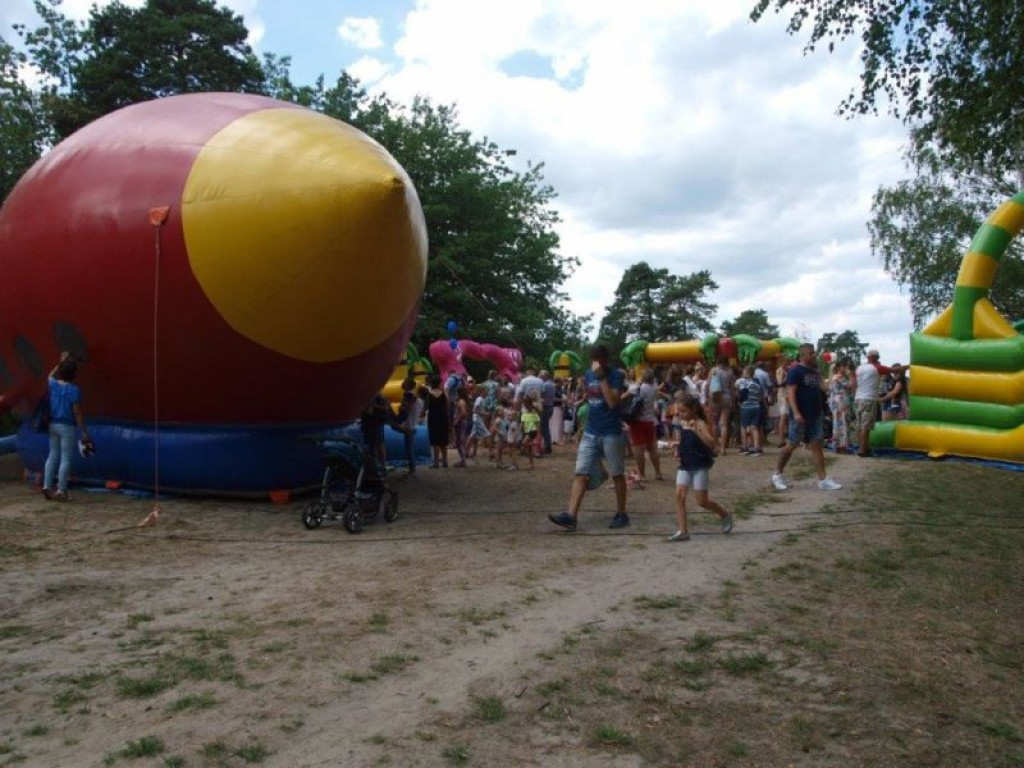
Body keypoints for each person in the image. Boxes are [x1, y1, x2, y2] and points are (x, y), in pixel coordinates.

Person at [549, 345, 629, 531]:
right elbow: (590, 399)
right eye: (593, 359)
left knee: (617, 474)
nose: (595, 363)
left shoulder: (616, 375)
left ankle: (621, 513)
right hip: (591, 432)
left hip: (611, 432)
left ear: (605, 359)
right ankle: (571, 516)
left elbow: (611, 402)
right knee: (581, 473)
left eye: (598, 359)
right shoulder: (587, 374)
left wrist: (601, 377)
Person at [771, 343, 842, 491]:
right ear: (803, 355)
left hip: (815, 414)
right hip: (800, 415)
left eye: (814, 353)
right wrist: (796, 413)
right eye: (811, 353)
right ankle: (777, 474)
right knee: (791, 444)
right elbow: (790, 393)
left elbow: (824, 388)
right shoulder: (795, 371)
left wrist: (831, 371)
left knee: (816, 445)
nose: (814, 355)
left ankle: (823, 479)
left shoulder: (815, 372)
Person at [670, 395, 733, 541]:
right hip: (685, 463)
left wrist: (696, 430)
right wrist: (676, 447)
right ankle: (683, 530)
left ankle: (724, 514)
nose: (680, 414)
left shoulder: (699, 423)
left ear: (693, 410)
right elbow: (683, 441)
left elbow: (712, 443)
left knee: (702, 501)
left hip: (699, 464)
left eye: (683, 411)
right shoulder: (681, 423)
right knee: (679, 495)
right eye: (678, 411)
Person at [42, 352, 90, 502]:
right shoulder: (74, 390)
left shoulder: (53, 384)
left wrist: (60, 362)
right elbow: (77, 412)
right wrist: (83, 431)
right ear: (74, 375)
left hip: (52, 424)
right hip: (67, 426)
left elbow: (50, 375)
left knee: (52, 454)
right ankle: (62, 490)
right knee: (65, 457)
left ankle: (46, 485)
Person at [626, 368, 663, 481]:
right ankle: (658, 472)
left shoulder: (639, 387)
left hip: (638, 421)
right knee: (652, 448)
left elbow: (623, 396)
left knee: (639, 448)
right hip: (650, 420)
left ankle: (642, 475)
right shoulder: (654, 388)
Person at [852, 350, 883, 457]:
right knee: (866, 426)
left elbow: (854, 383)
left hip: (858, 398)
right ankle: (862, 450)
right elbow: (894, 369)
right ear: (874, 357)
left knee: (859, 425)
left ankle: (863, 447)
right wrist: (909, 366)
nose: (878, 360)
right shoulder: (875, 368)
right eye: (877, 357)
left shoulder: (860, 368)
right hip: (868, 399)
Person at [709, 356, 736, 455]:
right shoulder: (730, 372)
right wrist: (733, 402)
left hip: (715, 397)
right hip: (727, 397)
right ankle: (723, 448)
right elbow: (732, 389)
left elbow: (708, 384)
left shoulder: (713, 370)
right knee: (724, 424)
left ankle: (716, 446)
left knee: (715, 423)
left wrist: (708, 399)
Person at [735, 365, 764, 455]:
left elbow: (737, 389)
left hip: (746, 407)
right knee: (754, 427)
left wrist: (739, 398)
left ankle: (745, 447)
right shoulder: (757, 384)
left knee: (743, 427)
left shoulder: (742, 382)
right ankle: (756, 447)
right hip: (756, 407)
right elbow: (760, 397)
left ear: (747, 373)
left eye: (743, 373)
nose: (742, 374)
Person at [828, 359, 854, 453]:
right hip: (840, 402)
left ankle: (838, 445)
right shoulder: (839, 377)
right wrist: (851, 375)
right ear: (839, 367)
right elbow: (850, 386)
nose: (846, 368)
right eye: (845, 366)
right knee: (842, 423)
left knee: (838, 423)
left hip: (836, 401)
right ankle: (842, 446)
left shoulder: (834, 377)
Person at [426, 374, 449, 468]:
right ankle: (445, 461)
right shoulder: (444, 393)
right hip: (443, 416)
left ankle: (436, 462)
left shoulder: (429, 393)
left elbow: (427, 406)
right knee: (443, 439)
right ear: (439, 383)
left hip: (433, 416)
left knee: (435, 440)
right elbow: (448, 405)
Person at [397, 390, 423, 477]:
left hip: (409, 428)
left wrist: (402, 406)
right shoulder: (419, 401)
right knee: (409, 449)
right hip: (411, 427)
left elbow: (408, 408)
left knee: (409, 450)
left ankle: (412, 471)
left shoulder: (411, 406)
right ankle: (412, 469)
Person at [519, 397, 540, 470]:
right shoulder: (524, 412)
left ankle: (533, 445)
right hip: (526, 430)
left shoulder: (534, 412)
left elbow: (537, 423)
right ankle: (531, 464)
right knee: (529, 449)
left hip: (532, 430)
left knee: (524, 443)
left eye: (526, 403)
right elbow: (522, 422)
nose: (525, 404)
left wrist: (538, 433)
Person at [539, 370, 556, 454]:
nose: (539, 377)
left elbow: (541, 396)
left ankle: (547, 447)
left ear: (544, 376)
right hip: (550, 407)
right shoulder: (552, 384)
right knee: (545, 427)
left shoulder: (545, 385)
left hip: (545, 407)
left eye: (540, 375)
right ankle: (546, 446)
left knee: (544, 428)